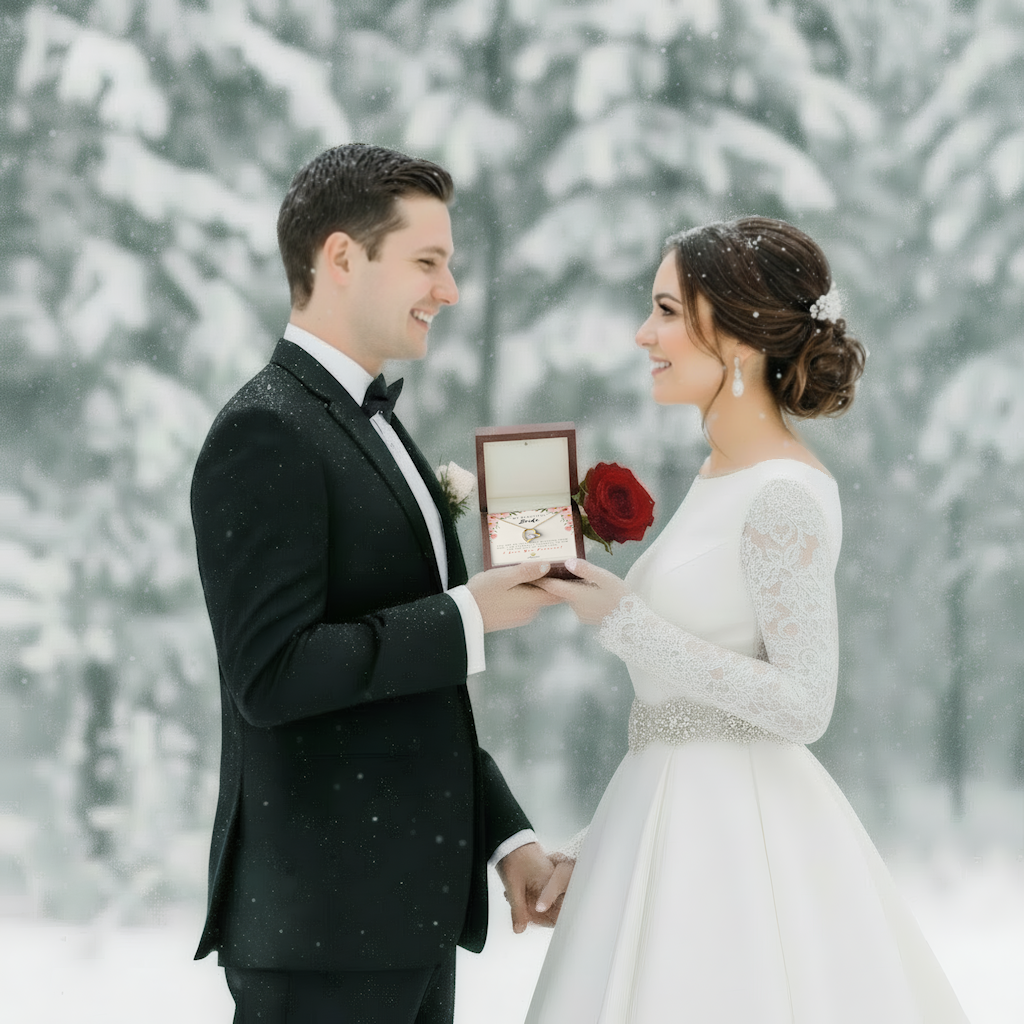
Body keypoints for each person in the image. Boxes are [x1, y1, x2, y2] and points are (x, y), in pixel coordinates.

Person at [527, 218, 970, 1022]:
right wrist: (601, 849)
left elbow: (804, 703)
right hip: (671, 822)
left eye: (666, 310)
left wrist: (625, 622)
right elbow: (683, 723)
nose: (644, 333)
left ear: (737, 336)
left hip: (731, 858)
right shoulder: (719, 474)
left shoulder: (782, 495)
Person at [190, 143, 561, 1024]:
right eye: (428, 262)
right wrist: (464, 617)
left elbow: (405, 698)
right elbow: (272, 675)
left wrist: (503, 834)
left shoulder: (373, 423)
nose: (450, 290)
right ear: (342, 257)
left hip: (402, 927)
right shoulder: (264, 431)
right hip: (324, 936)